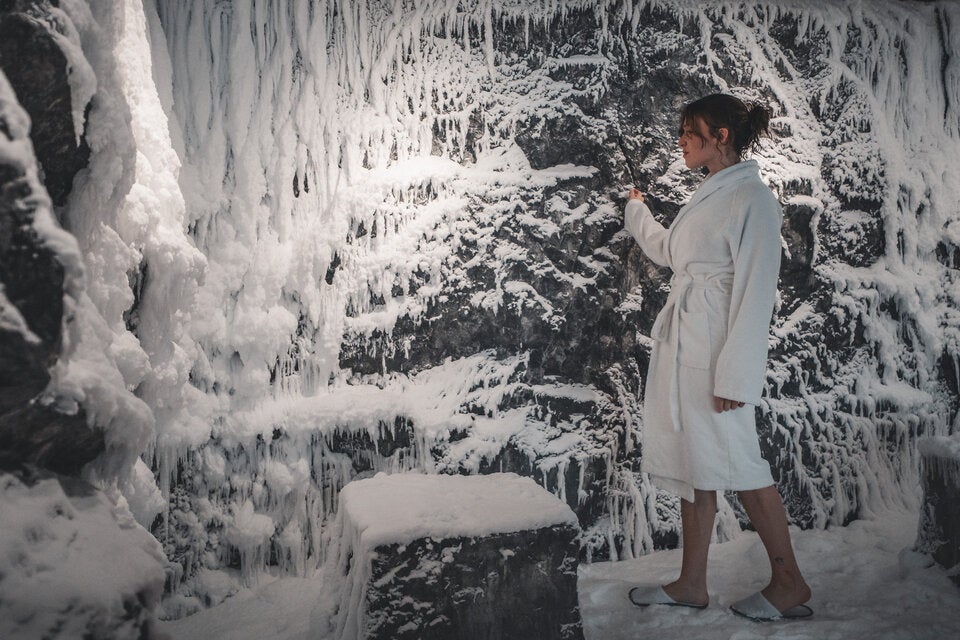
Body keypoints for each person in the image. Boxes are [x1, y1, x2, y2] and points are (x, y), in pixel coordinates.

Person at [622, 94, 812, 621]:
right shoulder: (711, 194)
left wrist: (737, 374)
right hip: (688, 346)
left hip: (715, 360)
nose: (681, 139)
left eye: (690, 130)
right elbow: (671, 255)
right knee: (695, 465)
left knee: (744, 466)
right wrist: (637, 211)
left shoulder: (753, 199)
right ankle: (691, 583)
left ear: (721, 135)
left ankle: (790, 582)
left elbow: (755, 294)